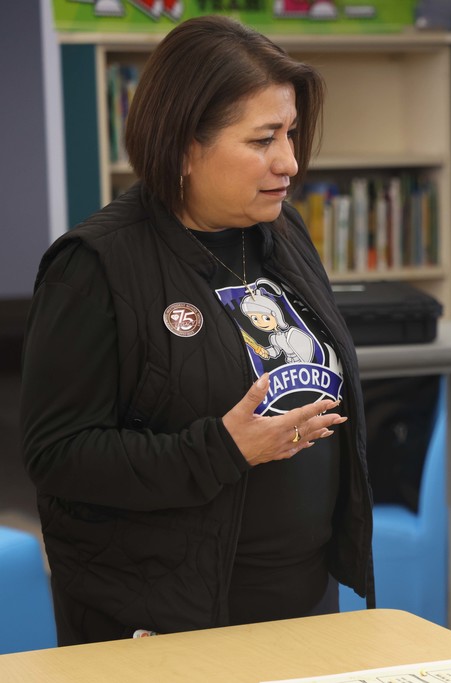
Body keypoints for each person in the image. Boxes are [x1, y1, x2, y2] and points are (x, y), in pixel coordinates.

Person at [20, 15, 374, 645]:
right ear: (184, 146)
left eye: (291, 133)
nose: (290, 161)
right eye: (263, 139)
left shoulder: (282, 231)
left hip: (303, 598)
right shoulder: (95, 265)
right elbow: (59, 456)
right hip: (166, 616)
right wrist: (222, 448)